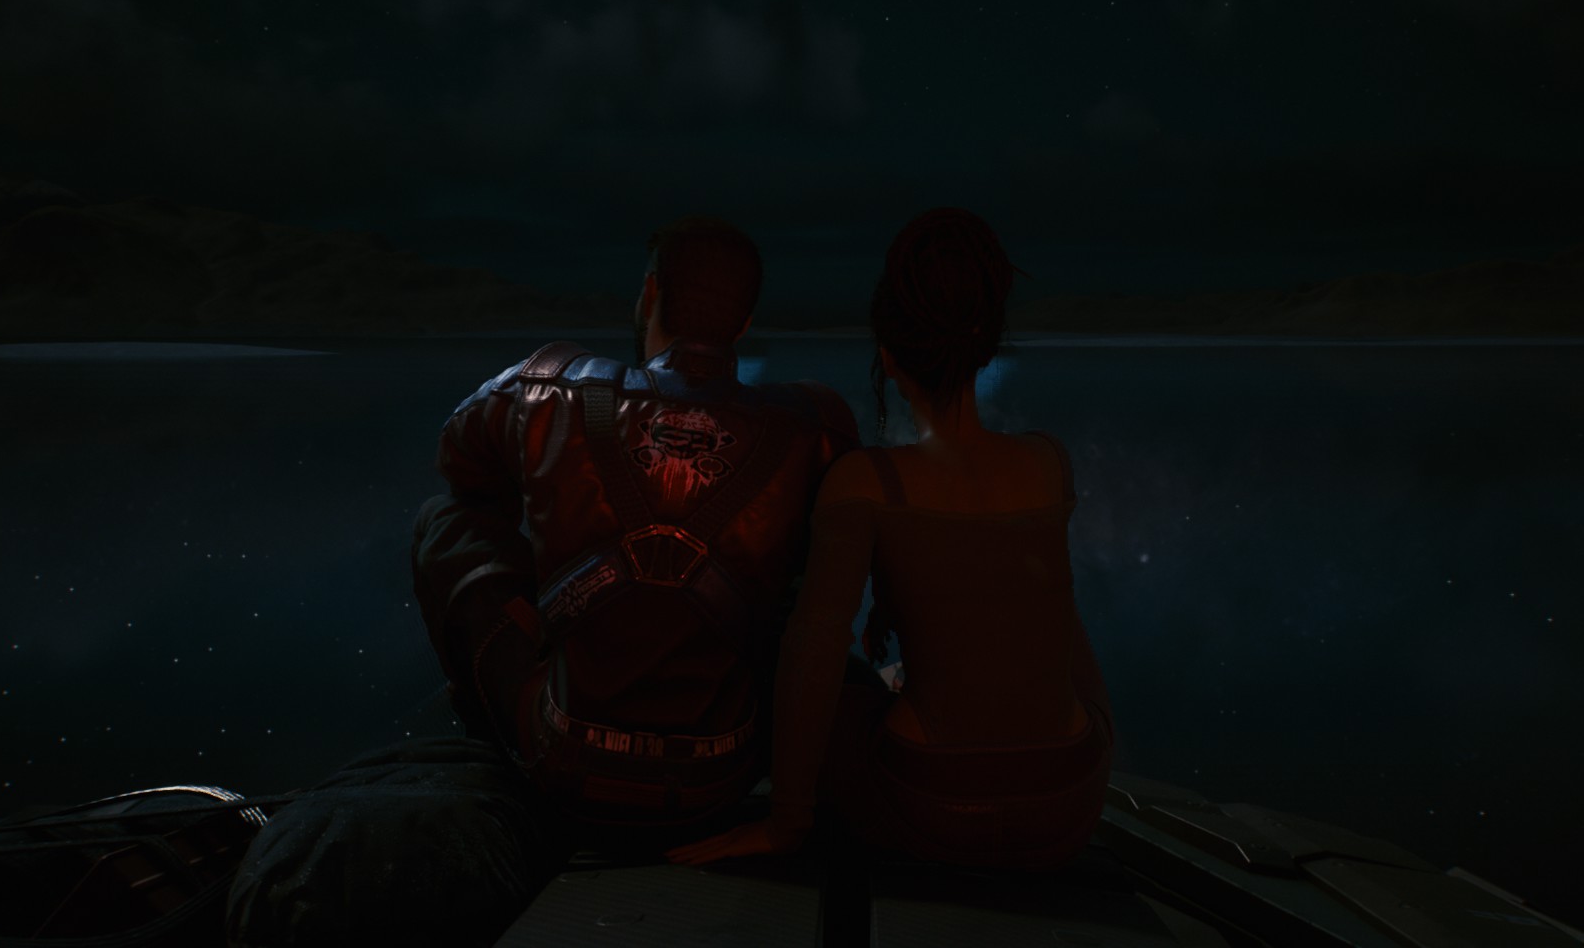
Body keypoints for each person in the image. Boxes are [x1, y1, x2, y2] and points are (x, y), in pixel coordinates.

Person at [225, 216, 858, 946]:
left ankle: (502, 720)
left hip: (566, 759)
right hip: (722, 776)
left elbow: (458, 462)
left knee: (446, 520)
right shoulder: (816, 424)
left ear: (650, 294)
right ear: (745, 321)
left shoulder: (547, 386)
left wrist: (562, 537)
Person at [669, 207, 1114, 870]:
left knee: (833, 682)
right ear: (984, 347)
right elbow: (1049, 617)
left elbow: (814, 655)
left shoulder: (867, 483)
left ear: (888, 356)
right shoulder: (1048, 464)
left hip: (932, 809)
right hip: (1068, 807)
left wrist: (785, 824)